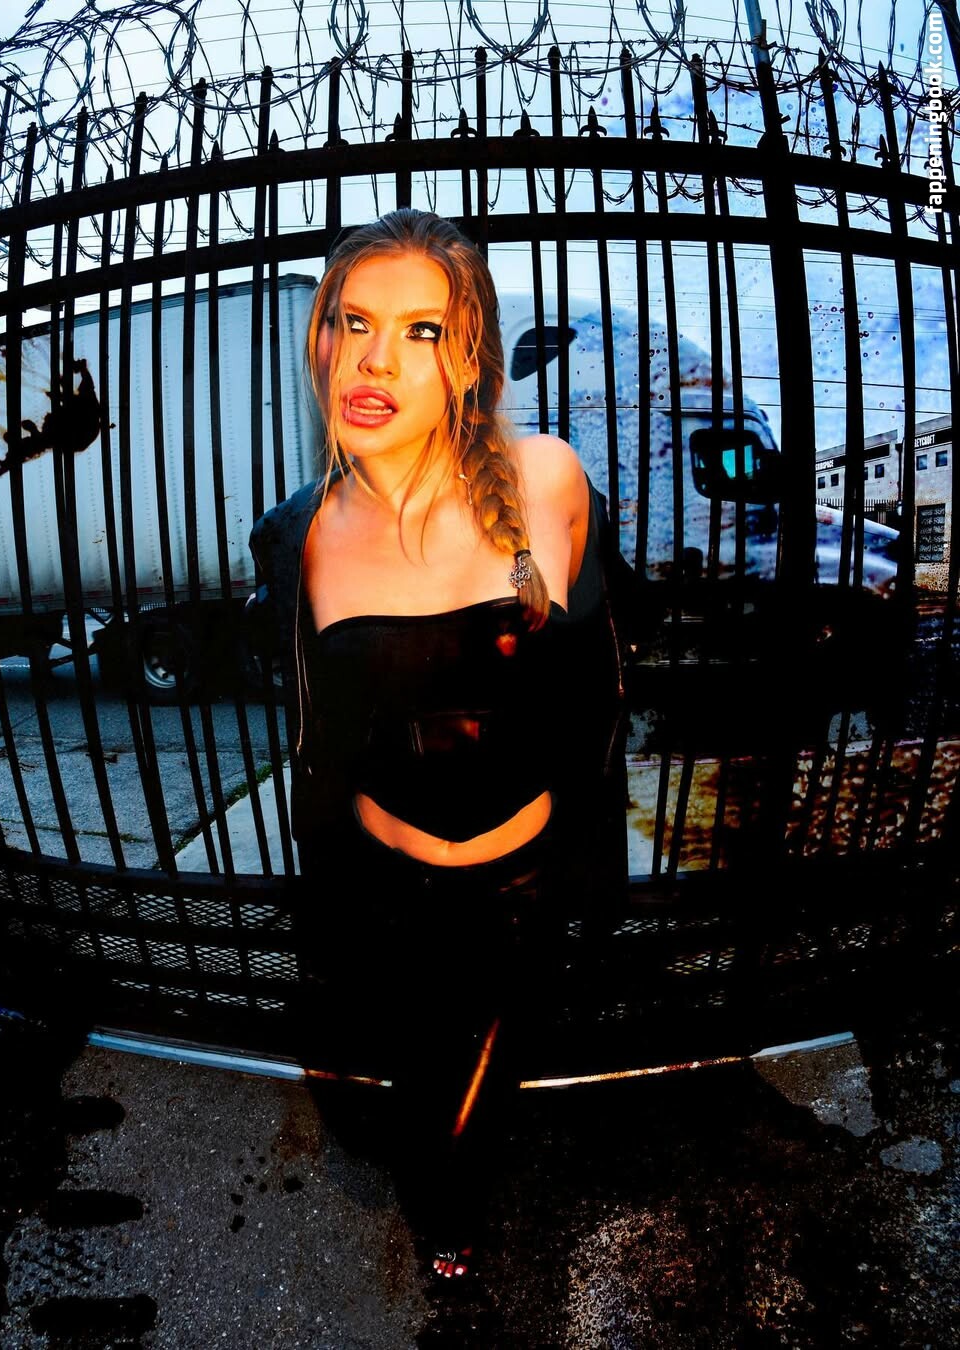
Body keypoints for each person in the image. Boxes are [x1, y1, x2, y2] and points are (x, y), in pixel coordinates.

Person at [248, 208, 633, 1282]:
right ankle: (442, 1207)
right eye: (353, 322)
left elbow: (599, 671)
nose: (374, 359)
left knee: (485, 1090)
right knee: (418, 1085)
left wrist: (589, 844)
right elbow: (315, 727)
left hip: (526, 882)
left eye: (421, 331)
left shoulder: (548, 479)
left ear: (467, 360)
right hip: (385, 890)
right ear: (321, 339)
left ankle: (450, 1204)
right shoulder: (300, 533)